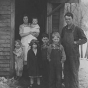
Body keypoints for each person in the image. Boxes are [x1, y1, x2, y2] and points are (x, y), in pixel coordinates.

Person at [61, 12, 87, 88]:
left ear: (72, 19)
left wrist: (76, 42)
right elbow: (62, 40)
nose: (67, 20)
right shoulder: (64, 29)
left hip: (74, 55)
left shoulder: (77, 29)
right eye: (66, 19)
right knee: (66, 72)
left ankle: (75, 86)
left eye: (69, 19)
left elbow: (85, 39)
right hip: (66, 54)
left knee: (74, 72)